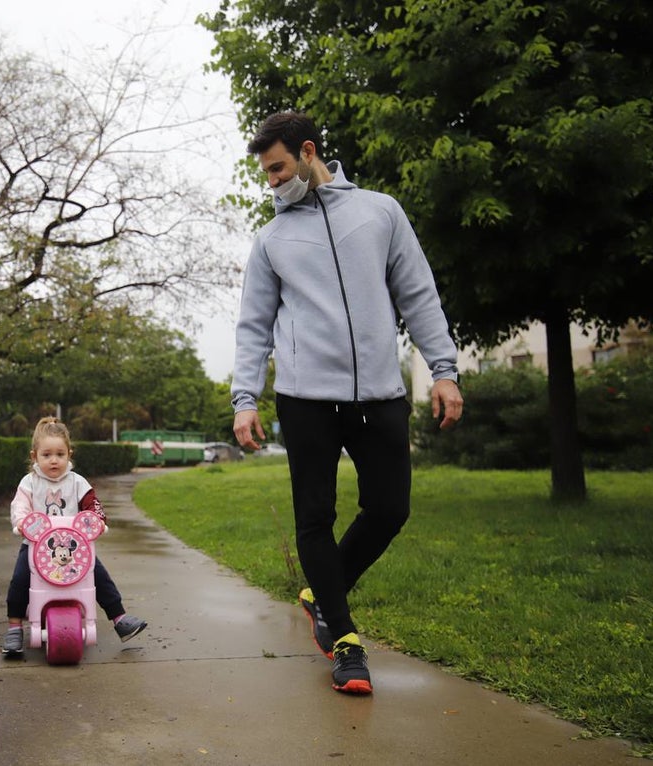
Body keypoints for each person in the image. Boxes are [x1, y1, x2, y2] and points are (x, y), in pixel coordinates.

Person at [231, 112, 463, 694]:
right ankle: (345, 639)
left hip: (379, 394)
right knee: (315, 518)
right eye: (266, 173)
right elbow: (253, 326)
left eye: (278, 168)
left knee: (390, 509)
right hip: (305, 398)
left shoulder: (380, 212)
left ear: (308, 152)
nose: (272, 181)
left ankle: (321, 592)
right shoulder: (272, 239)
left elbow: (418, 293)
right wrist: (245, 398)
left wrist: (443, 370)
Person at [2, 417, 147, 656]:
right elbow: (20, 506)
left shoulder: (77, 482)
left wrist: (98, 520)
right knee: (20, 579)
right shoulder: (29, 483)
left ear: (69, 454)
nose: (54, 460)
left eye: (60, 454)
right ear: (34, 456)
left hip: (75, 548)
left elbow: (93, 504)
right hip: (35, 546)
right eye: (46, 455)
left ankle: (119, 618)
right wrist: (21, 522)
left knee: (98, 575)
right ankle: (14, 627)